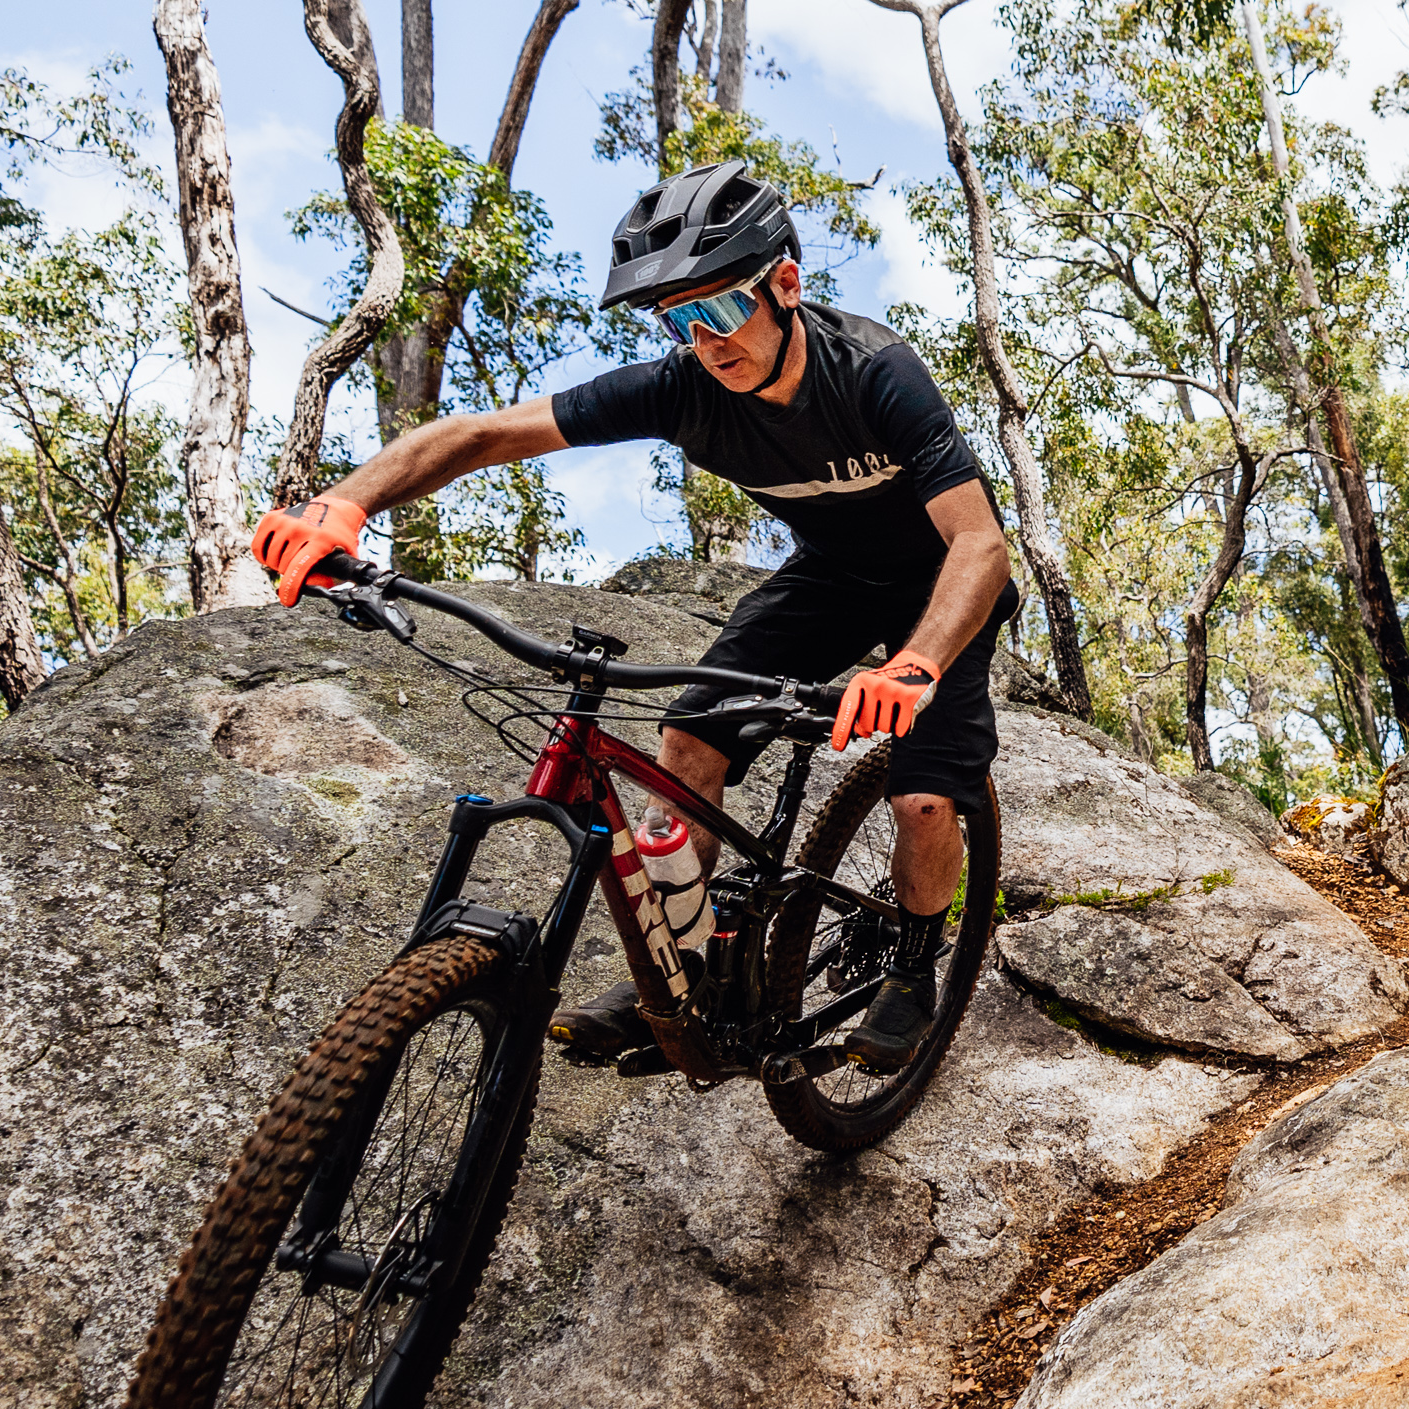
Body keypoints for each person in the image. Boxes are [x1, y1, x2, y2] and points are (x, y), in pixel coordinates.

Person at [249, 162, 1016, 1075]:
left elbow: (981, 544)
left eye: (721, 313)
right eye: (679, 322)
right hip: (832, 577)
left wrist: (916, 663)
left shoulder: (875, 373)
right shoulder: (681, 387)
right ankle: (687, 971)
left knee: (924, 796)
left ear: (786, 286)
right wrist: (346, 503)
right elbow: (483, 434)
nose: (705, 343)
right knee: (688, 740)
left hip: (940, 582)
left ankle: (917, 956)